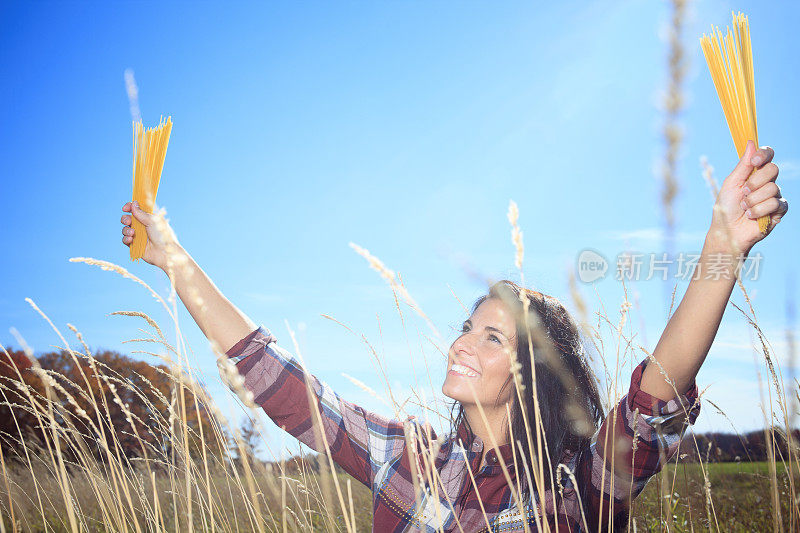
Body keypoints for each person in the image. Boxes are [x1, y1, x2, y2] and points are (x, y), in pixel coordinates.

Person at [120, 141, 788, 532]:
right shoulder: (403, 456)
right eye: (467, 327)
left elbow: (655, 396)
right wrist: (173, 255)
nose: (462, 343)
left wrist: (722, 245)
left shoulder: (574, 488)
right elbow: (280, 382)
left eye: (492, 338)